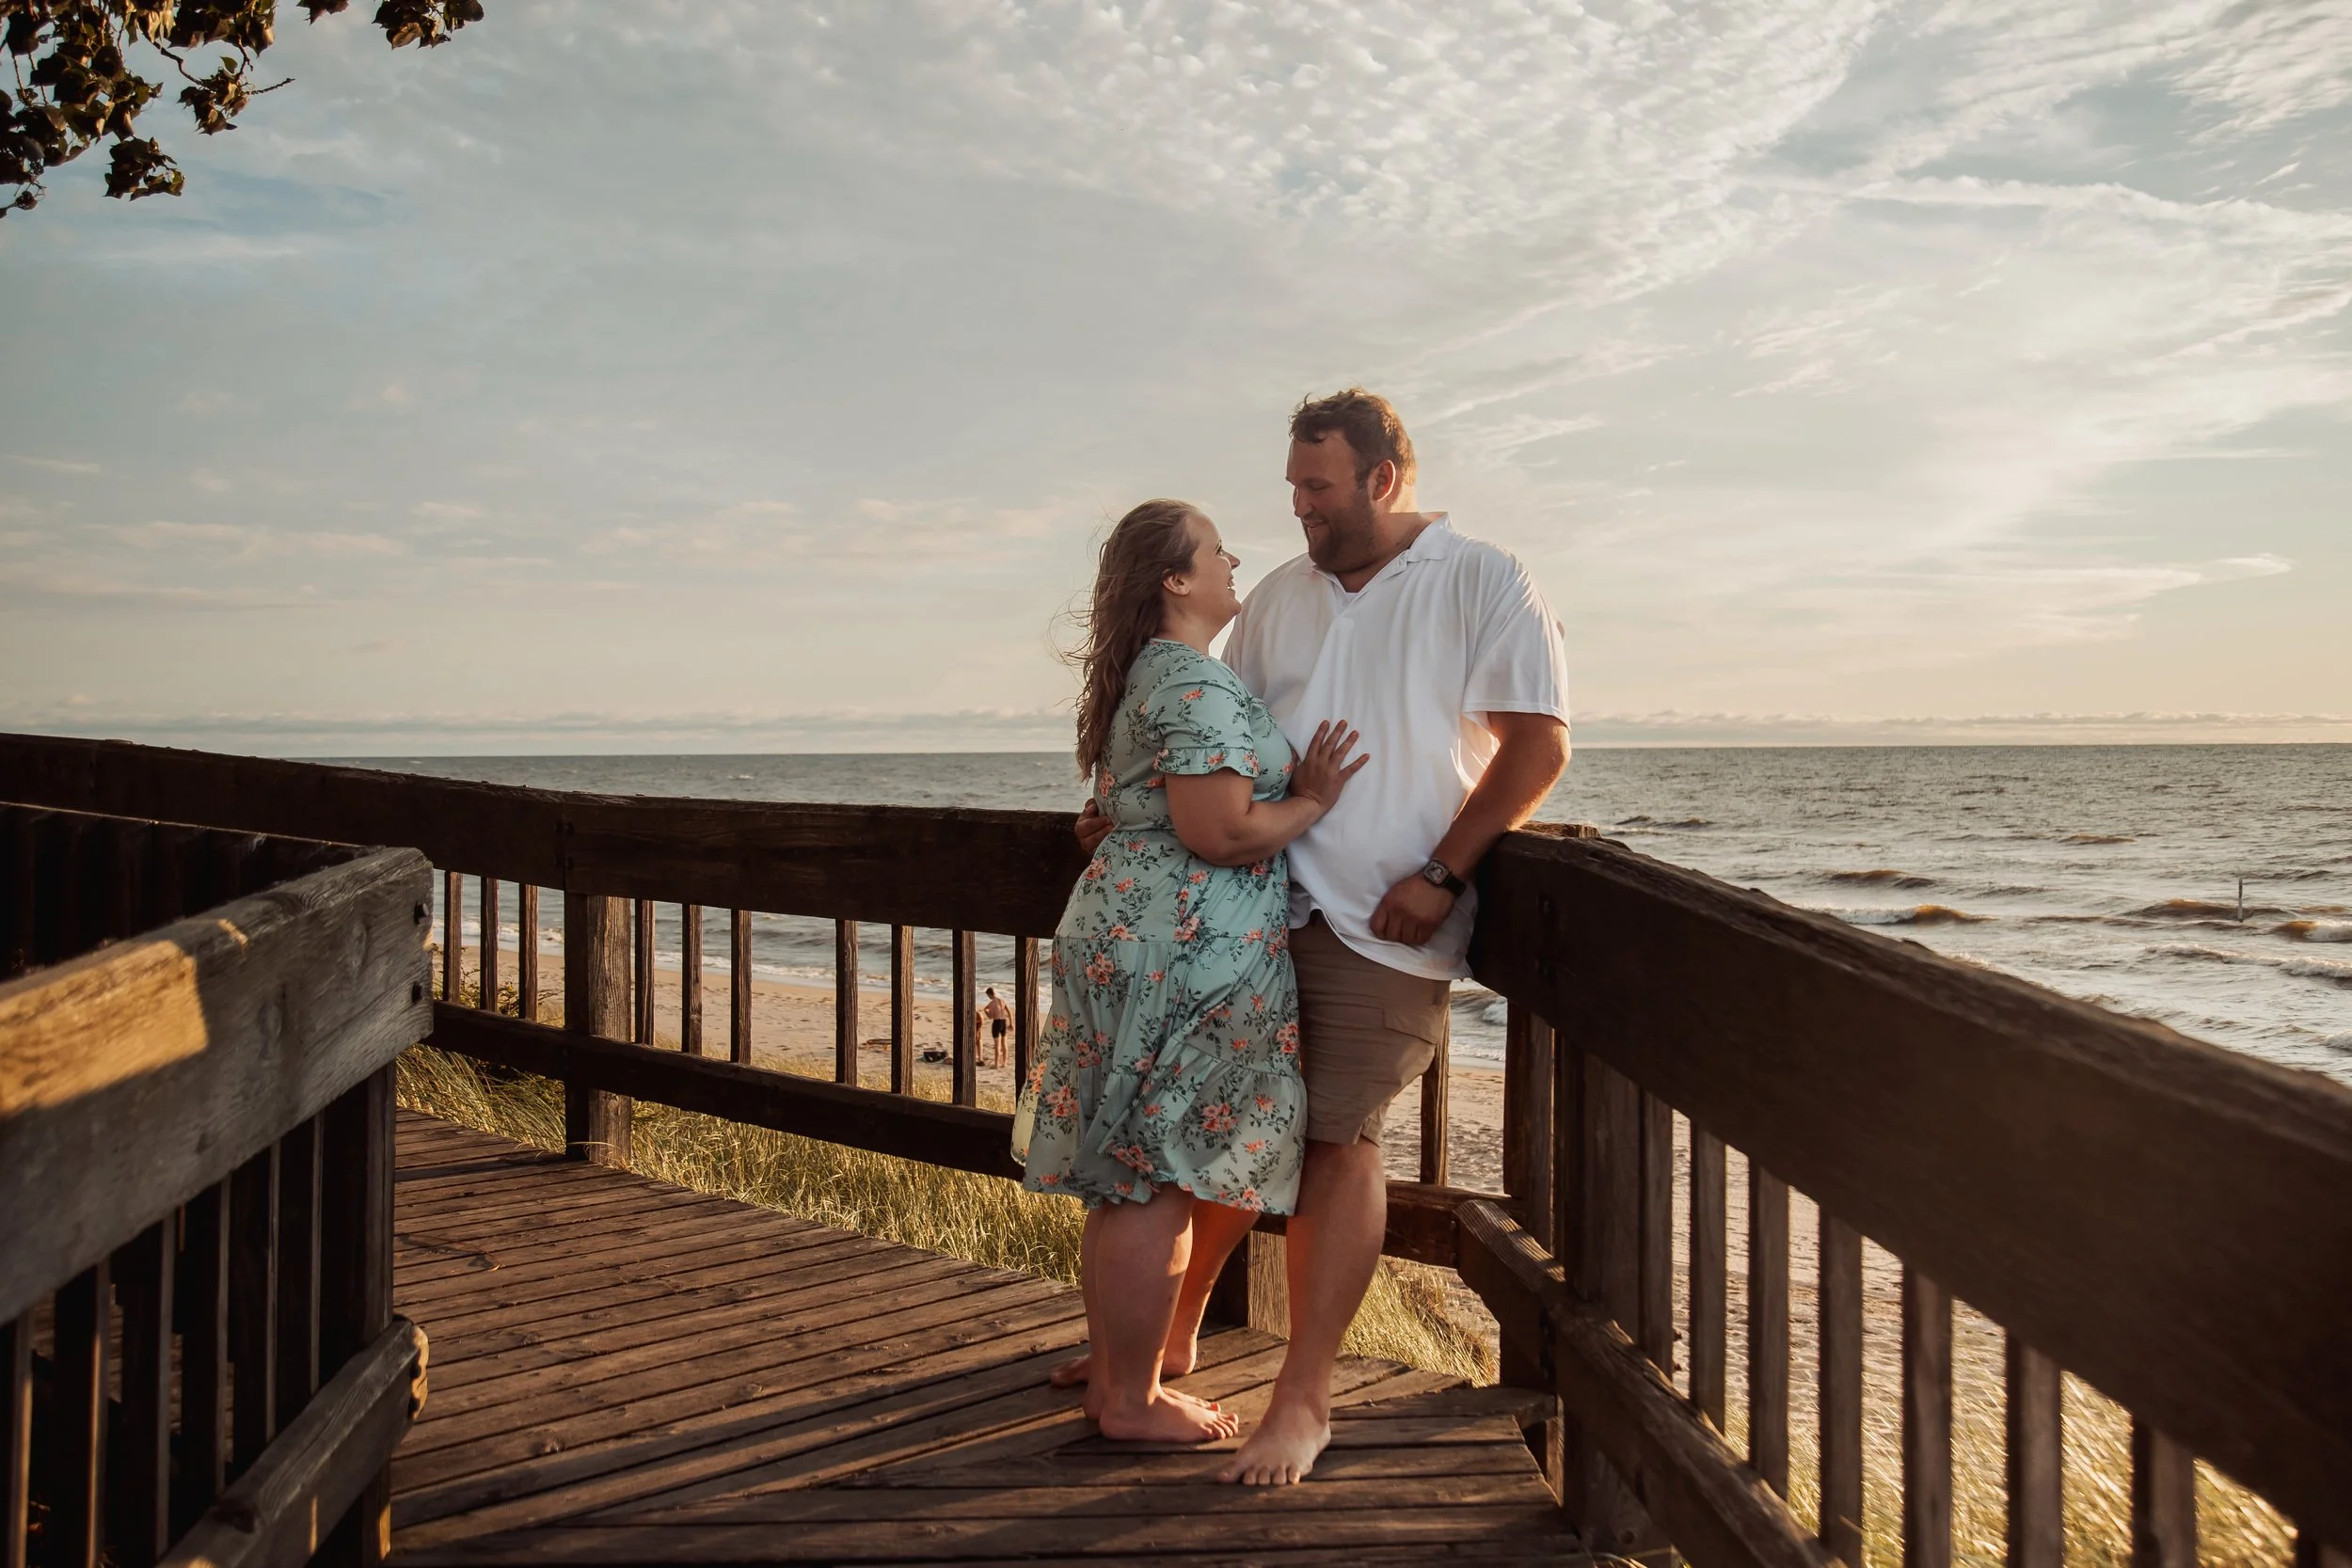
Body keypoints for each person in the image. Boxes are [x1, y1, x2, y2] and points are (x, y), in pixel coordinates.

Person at [1069, 390, 1571, 1483]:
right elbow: (1215, 735)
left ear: (1382, 479)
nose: (1297, 507)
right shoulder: (1281, 599)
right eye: (1292, 485)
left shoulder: (1480, 576)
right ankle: (1164, 1335)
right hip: (1242, 915)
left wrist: (1444, 872)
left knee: (1335, 1141)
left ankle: (1303, 1400)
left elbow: (1536, 748)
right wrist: (1137, 804)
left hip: (1380, 919)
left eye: (1317, 487)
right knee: (1215, 1133)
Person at [1012, 497, 1369, 1445]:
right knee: (1150, 1175)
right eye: (1216, 550)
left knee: (1135, 1167)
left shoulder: (1151, 677)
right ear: (1176, 579)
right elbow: (1221, 831)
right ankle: (1127, 1400)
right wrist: (1311, 798)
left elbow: (1129, 808)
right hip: (1178, 954)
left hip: (1140, 938)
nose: (1232, 559)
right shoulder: (1195, 686)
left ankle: (1129, 1365)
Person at [980, 986, 1012, 1069]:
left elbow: (991, 1016)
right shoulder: (1002, 1001)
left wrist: (986, 1012)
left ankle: (996, 1065)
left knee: (997, 1045)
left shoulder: (992, 1003)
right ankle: (1004, 1063)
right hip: (1003, 1022)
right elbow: (1009, 1012)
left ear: (989, 995)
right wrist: (1011, 1023)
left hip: (997, 1023)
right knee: (1004, 1044)